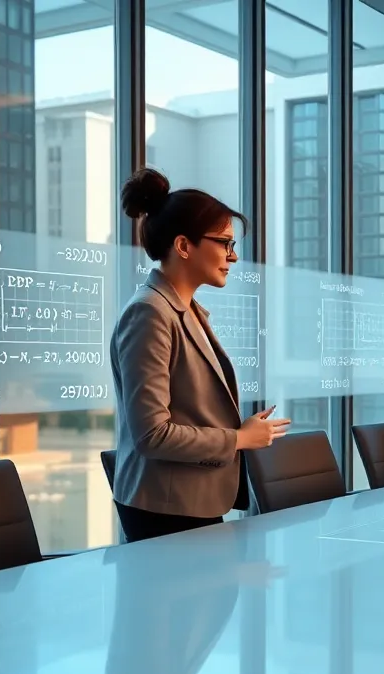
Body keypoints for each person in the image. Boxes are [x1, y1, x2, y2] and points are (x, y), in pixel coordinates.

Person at [112, 168, 290, 543]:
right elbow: (152, 434)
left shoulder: (183, 308)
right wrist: (238, 439)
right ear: (183, 246)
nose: (234, 256)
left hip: (187, 500)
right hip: (164, 508)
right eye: (224, 243)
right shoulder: (150, 312)